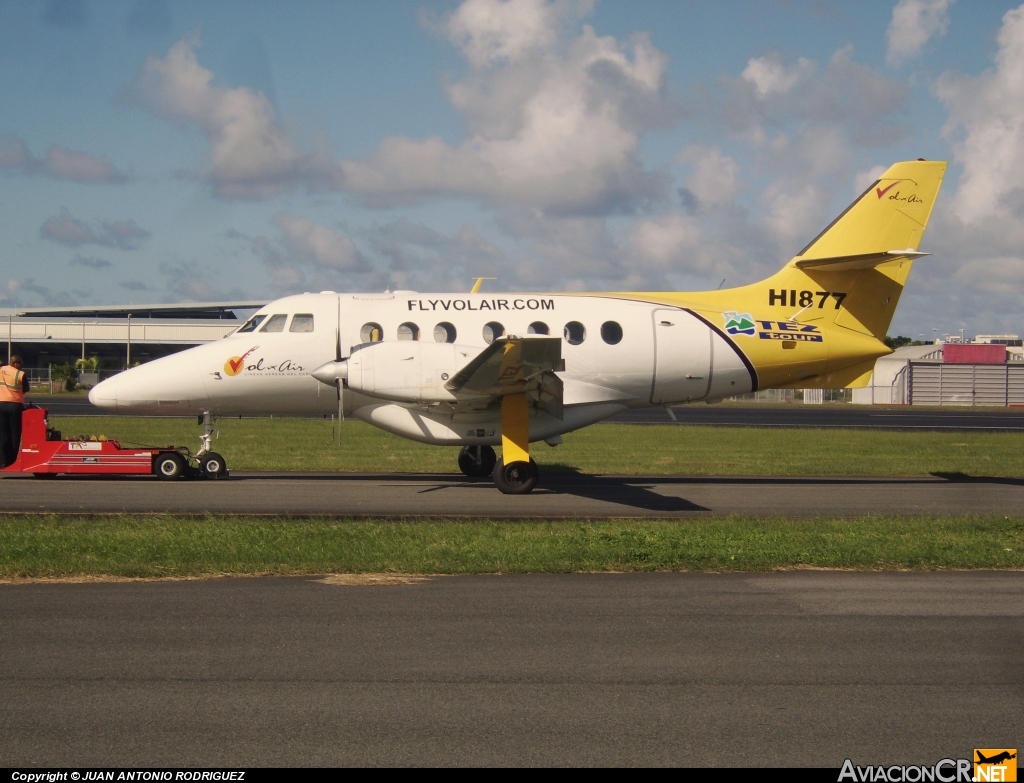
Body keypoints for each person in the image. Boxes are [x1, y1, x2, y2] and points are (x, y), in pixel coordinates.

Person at [0, 355, 29, 468]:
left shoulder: (1, 370)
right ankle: (12, 460)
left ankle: (2, 461)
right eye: (20, 363)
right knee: (14, 434)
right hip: (15, 405)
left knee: (2, 433)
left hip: (1, 404)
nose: (21, 365)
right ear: (16, 363)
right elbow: (26, 389)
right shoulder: (20, 374)